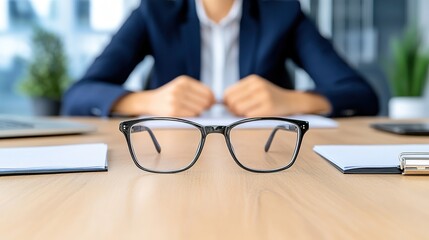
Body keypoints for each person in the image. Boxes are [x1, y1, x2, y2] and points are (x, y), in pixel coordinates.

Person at [62, 0, 379, 118]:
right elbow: (78, 96)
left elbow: (361, 96)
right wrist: (147, 102)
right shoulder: (155, 11)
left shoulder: (282, 11)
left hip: (268, 164)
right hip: (170, 164)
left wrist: (291, 100)